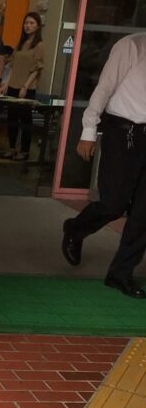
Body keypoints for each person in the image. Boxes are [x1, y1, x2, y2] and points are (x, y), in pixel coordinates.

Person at [61, 31, 146, 299]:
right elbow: (104, 87)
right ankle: (75, 229)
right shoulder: (132, 45)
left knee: (144, 212)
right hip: (123, 133)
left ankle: (120, 274)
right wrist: (89, 130)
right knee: (114, 203)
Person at [0, 12, 45, 161]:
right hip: (13, 85)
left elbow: (37, 69)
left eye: (31, 23)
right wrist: (6, 82)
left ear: (38, 26)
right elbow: (13, 65)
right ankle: (11, 148)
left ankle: (24, 150)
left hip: (26, 88)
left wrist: (25, 86)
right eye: (26, 23)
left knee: (25, 120)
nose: (28, 26)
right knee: (12, 118)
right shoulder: (20, 43)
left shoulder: (39, 45)